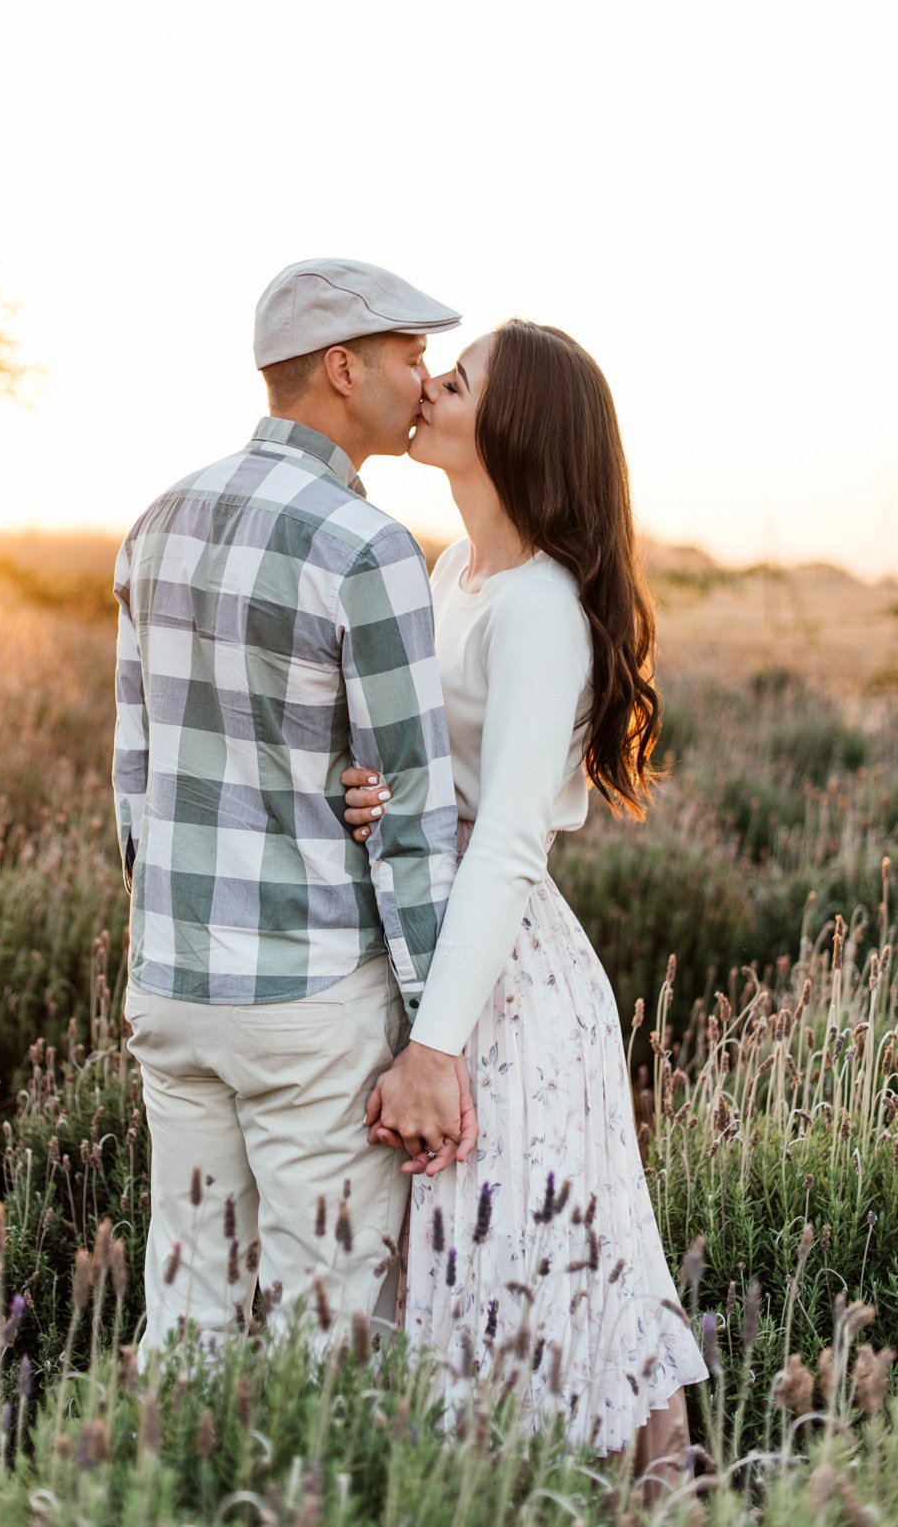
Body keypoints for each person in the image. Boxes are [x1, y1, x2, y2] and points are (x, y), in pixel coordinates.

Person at [340, 320, 708, 1463]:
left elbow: (504, 838)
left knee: (549, 1275)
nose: (430, 386)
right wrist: (385, 796)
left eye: (459, 379)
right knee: (488, 1276)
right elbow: (449, 774)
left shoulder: (541, 602)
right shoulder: (458, 568)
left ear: (515, 425)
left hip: (502, 982)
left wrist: (437, 1046)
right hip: (444, 940)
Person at [112, 258, 477, 1353]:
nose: (424, 380)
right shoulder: (366, 548)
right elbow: (409, 810)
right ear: (340, 369)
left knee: (189, 1312)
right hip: (310, 997)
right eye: (411, 357)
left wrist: (163, 932)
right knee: (329, 1320)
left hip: (170, 979)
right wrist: (433, 1030)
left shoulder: (156, 519)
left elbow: (136, 772)